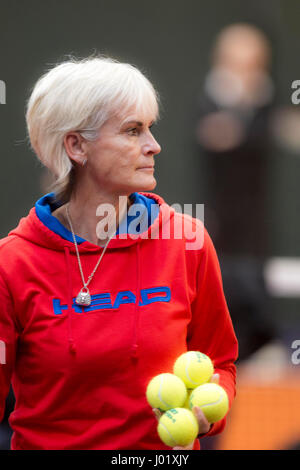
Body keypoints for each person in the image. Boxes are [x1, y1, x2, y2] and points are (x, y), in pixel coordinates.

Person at [0, 55, 238, 450]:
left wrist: (210, 409)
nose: (153, 146)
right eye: (133, 131)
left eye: (150, 128)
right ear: (76, 146)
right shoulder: (12, 263)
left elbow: (221, 363)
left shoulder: (187, 241)